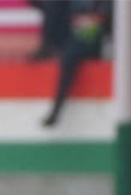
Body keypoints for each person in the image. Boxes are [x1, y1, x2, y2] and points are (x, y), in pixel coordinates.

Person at [41, 0, 110, 128]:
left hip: (95, 38)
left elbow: (106, 16)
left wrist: (92, 20)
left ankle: (57, 108)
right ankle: (46, 47)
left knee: (70, 56)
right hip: (72, 36)